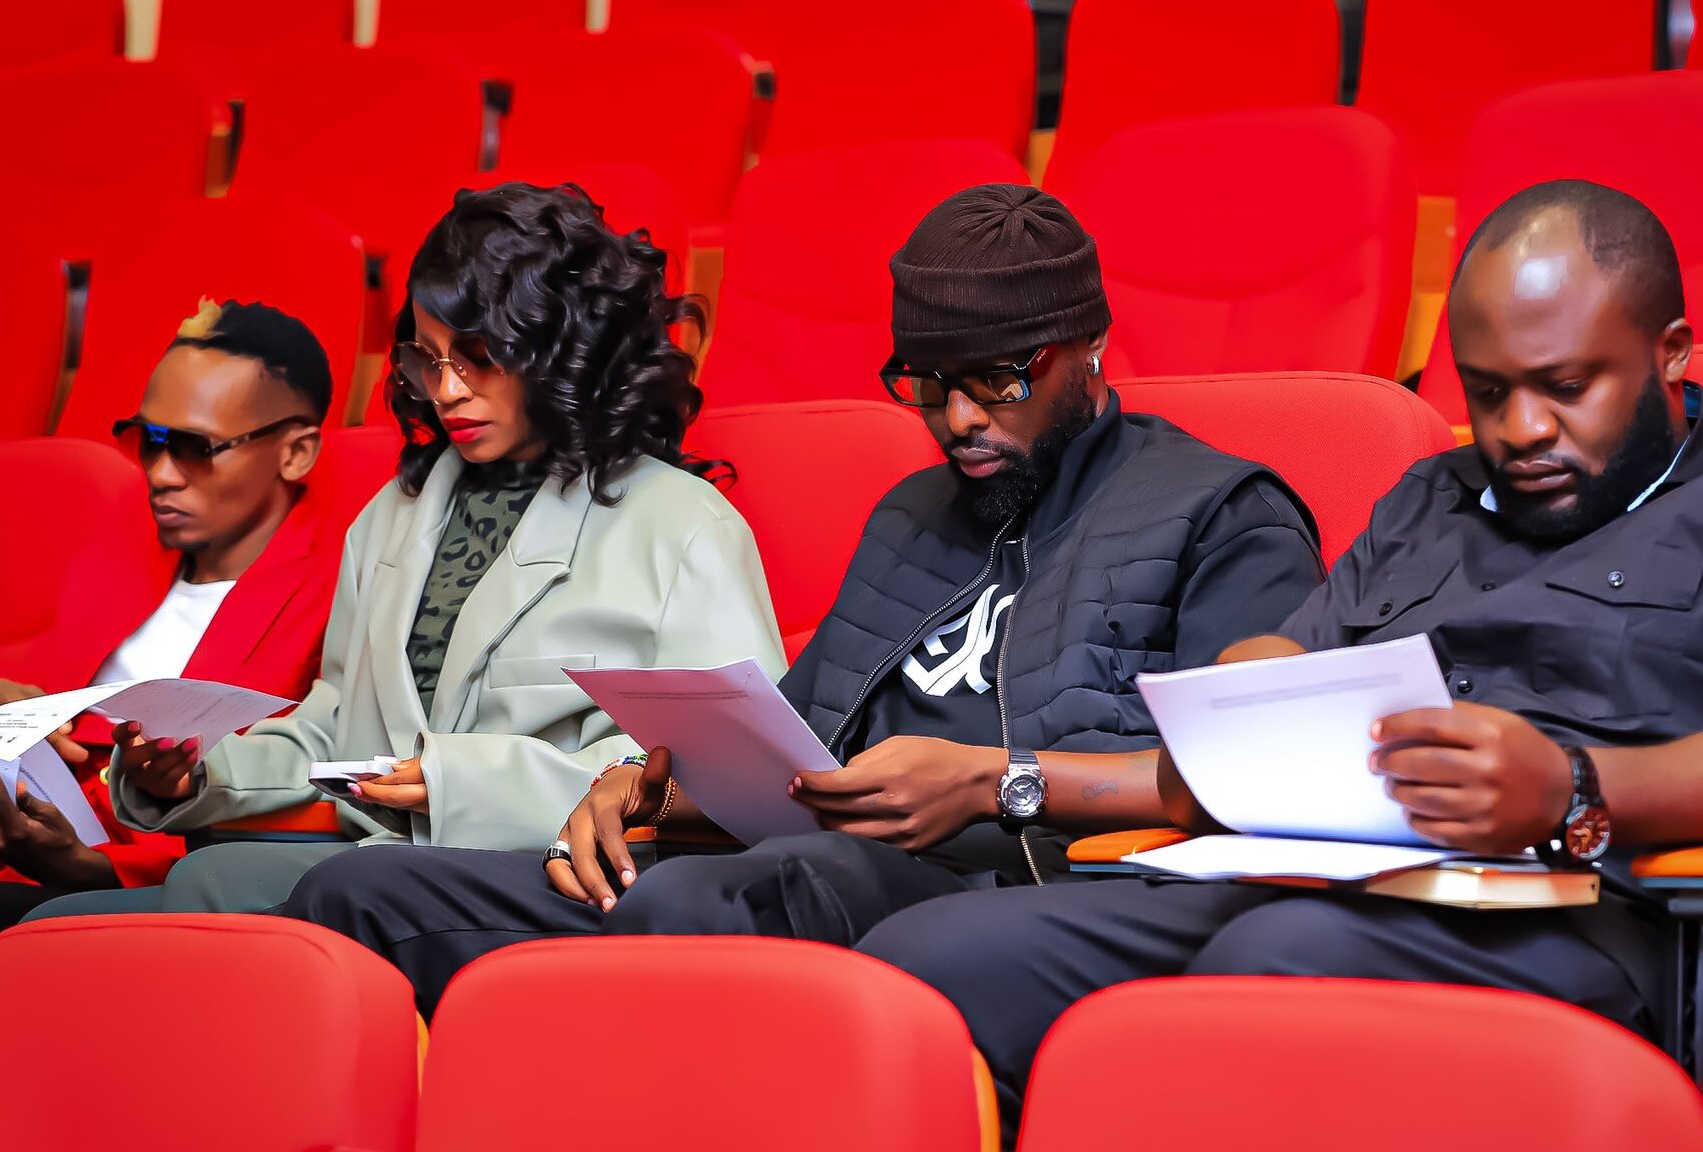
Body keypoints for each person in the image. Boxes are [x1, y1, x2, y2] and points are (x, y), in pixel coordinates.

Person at [855, 179, 1703, 1142]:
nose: (1521, 429)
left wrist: (1568, 788)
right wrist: (1257, 679)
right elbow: (1285, 680)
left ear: (1671, 351)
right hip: (1326, 882)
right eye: (1487, 392)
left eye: (1566, 386)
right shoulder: (1431, 500)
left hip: (1591, 908)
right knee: (926, 966)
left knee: (1268, 969)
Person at [283, 183, 1326, 1014]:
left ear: (1089, 344)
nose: (959, 419)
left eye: (998, 381)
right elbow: (790, 764)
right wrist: (644, 792)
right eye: (926, 384)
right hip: (795, 872)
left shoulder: (1216, 512)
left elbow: (1258, 780)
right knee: (355, 895)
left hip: (1008, 882)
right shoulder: (914, 514)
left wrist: (995, 783)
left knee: (716, 897)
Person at [27, 182, 783, 919]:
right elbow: (334, 731)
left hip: (560, 874)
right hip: (379, 863)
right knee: (43, 926)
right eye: (428, 359)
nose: (446, 390)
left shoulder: (683, 526)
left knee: (216, 880)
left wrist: (466, 780)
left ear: (560, 351)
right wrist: (193, 774)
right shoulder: (391, 518)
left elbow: (734, 776)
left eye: (478, 357)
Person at [0, 299, 340, 994]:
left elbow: (296, 803)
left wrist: (91, 867)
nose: (160, 473)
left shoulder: (338, 591)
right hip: (15, 860)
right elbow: (61, 733)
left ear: (296, 451)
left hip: (176, 892)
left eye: (195, 448)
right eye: (147, 439)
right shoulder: (116, 559)